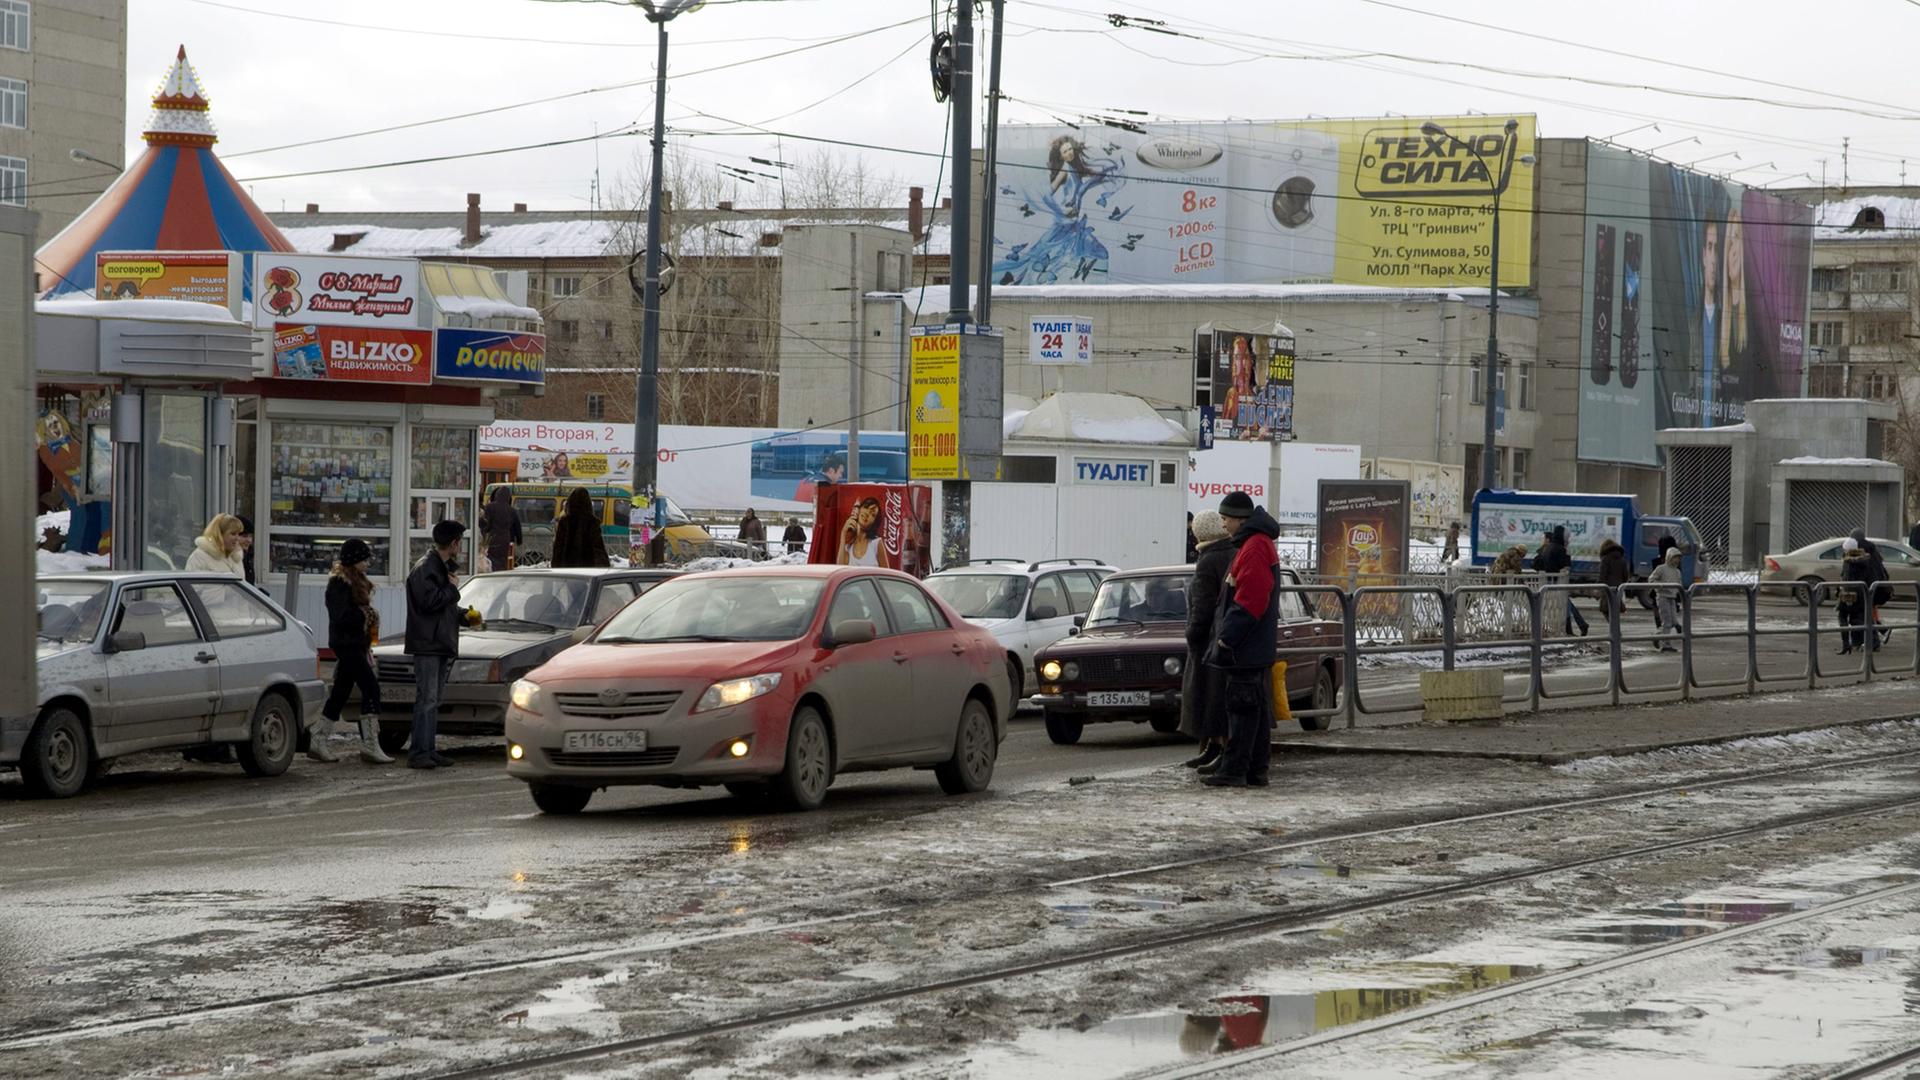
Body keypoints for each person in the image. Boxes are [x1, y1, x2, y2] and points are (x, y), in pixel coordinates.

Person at [1203, 492, 1281, 789]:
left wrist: (1227, 638)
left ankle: (1235, 770)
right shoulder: (1258, 543)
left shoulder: (1254, 547)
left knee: (1241, 709)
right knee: (1254, 712)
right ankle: (1254, 771)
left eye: (1225, 519)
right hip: (1254, 646)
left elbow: (1251, 600)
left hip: (1245, 647)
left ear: (1239, 519)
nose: (1223, 525)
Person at [320, 539, 394, 764]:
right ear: (354, 559)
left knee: (340, 692)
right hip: (347, 644)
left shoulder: (356, 581)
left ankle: (318, 738)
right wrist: (365, 615)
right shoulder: (340, 583)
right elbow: (340, 616)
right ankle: (370, 743)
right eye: (364, 558)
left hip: (356, 644)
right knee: (371, 688)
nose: (368, 562)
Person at [405, 520, 468, 770]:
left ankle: (429, 750)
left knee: (434, 700)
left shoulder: (439, 567)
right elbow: (429, 603)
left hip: (438, 643)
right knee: (427, 700)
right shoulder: (426, 568)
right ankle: (419, 752)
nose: (459, 547)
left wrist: (464, 616)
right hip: (428, 644)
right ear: (453, 543)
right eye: (459, 542)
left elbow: (443, 607)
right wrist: (452, 590)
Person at [1179, 511, 1233, 769]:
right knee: (1221, 699)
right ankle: (1215, 747)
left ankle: (1217, 748)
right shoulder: (1234, 552)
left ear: (1200, 533)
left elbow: (1202, 605)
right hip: (1227, 637)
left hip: (1208, 642)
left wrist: (1193, 634)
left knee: (1209, 699)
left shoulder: (1209, 560)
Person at [1536, 526, 1588, 637]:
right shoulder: (1560, 549)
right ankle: (1574, 627)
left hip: (1549, 580)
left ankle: (1580, 625)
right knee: (1566, 604)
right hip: (1557, 581)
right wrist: (1567, 553)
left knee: (1566, 603)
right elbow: (1566, 566)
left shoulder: (1549, 547)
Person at [549, 488, 610, 568]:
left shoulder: (564, 522)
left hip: (566, 569)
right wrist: (603, 566)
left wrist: (556, 566)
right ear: (588, 503)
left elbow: (558, 548)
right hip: (588, 569)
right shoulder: (592, 522)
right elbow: (598, 548)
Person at [837, 497, 892, 569]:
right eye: (866, 507)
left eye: (872, 514)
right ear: (859, 509)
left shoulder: (876, 543)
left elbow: (887, 574)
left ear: (874, 523)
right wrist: (843, 533)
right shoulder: (848, 548)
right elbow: (840, 570)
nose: (867, 513)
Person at [1649, 548, 1684, 652]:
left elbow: (1679, 584)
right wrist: (1660, 586)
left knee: (1674, 621)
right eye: (1675, 557)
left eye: (1679, 558)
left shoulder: (1677, 572)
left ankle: (1657, 635)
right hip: (1662, 597)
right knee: (1667, 622)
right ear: (1669, 557)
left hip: (1672, 598)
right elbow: (1651, 579)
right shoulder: (1661, 568)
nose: (1677, 560)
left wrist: (1680, 594)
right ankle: (1666, 644)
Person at [478, 487, 521, 573]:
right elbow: (517, 527)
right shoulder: (511, 510)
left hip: (492, 538)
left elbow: (484, 523)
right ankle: (501, 574)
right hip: (505, 539)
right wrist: (519, 540)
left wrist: (484, 533)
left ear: (497, 495)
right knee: (502, 560)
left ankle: (492, 573)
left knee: (491, 558)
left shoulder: (489, 507)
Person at [1597, 538, 1631, 629]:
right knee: (1615, 609)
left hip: (1607, 588)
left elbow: (1602, 575)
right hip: (1618, 588)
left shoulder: (1605, 559)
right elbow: (1625, 575)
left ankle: (1614, 630)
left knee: (1605, 610)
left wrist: (1600, 586)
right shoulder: (1622, 560)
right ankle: (1615, 629)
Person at [235, 515, 257, 585]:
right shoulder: (230, 558)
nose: (249, 540)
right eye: (244, 536)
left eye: (251, 536)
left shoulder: (248, 556)